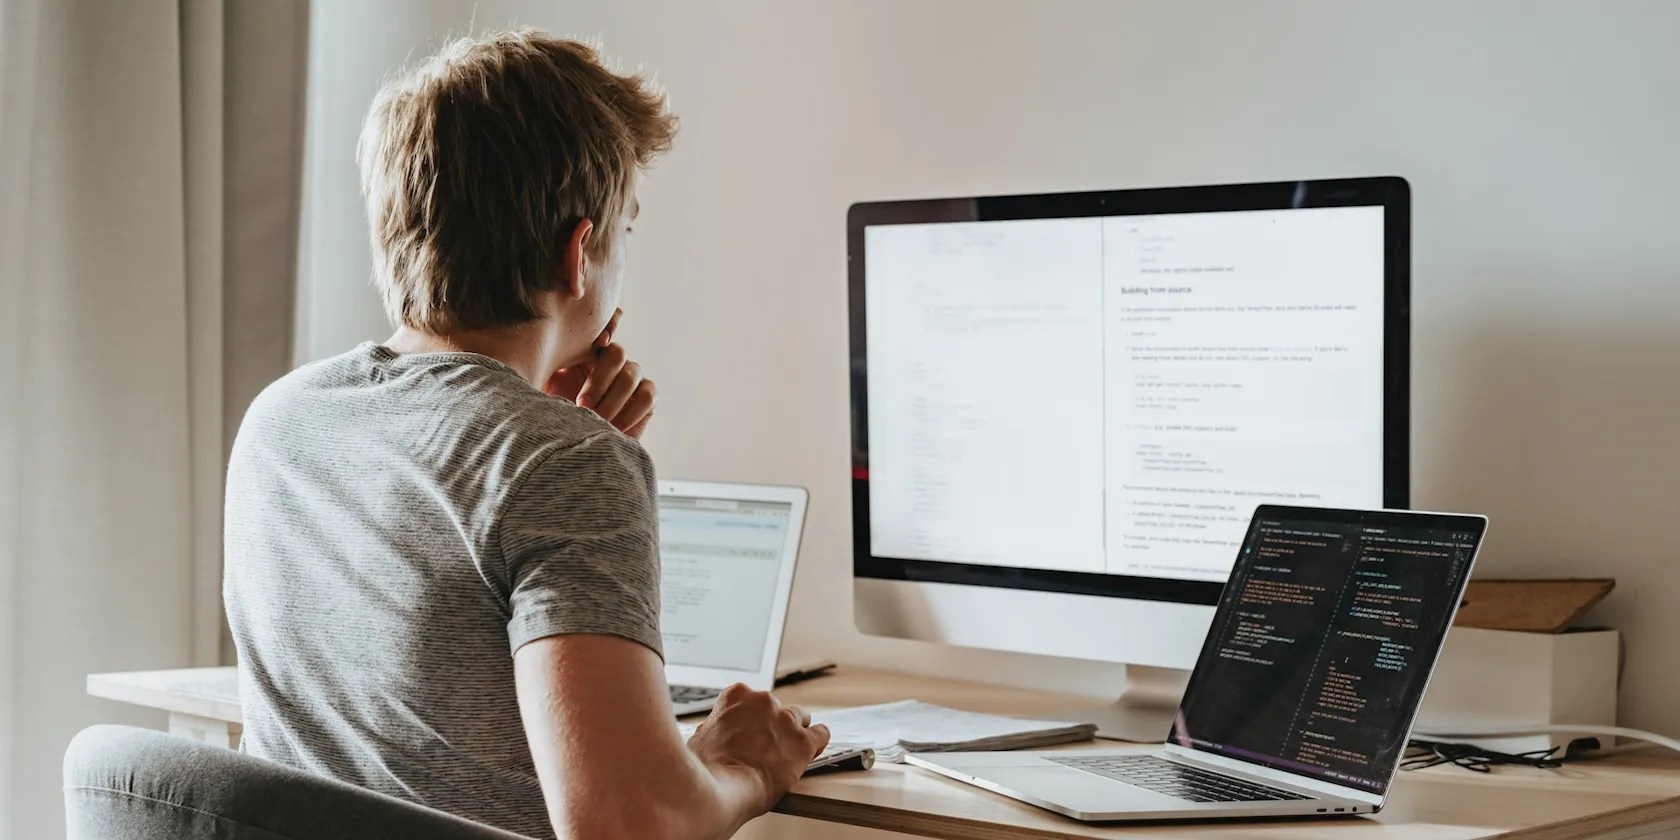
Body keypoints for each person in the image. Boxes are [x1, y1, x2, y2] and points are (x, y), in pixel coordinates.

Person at [222, 28, 829, 839]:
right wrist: (741, 768)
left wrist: (546, 437)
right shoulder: (563, 461)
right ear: (580, 255)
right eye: (627, 232)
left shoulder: (281, 419)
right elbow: (627, 825)